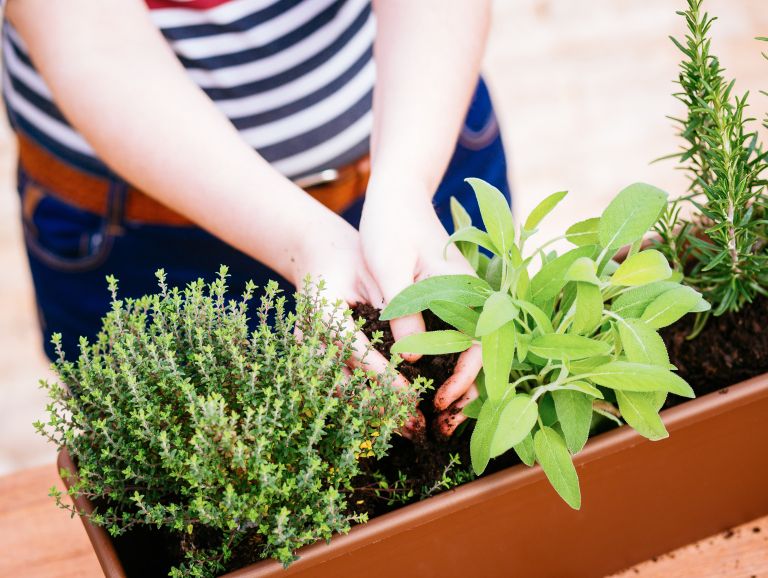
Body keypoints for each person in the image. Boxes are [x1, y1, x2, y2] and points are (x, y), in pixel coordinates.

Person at [3, 0, 510, 435]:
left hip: (419, 135)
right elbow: (90, 36)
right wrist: (304, 236)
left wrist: (406, 183)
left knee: (480, 413)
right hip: (145, 235)